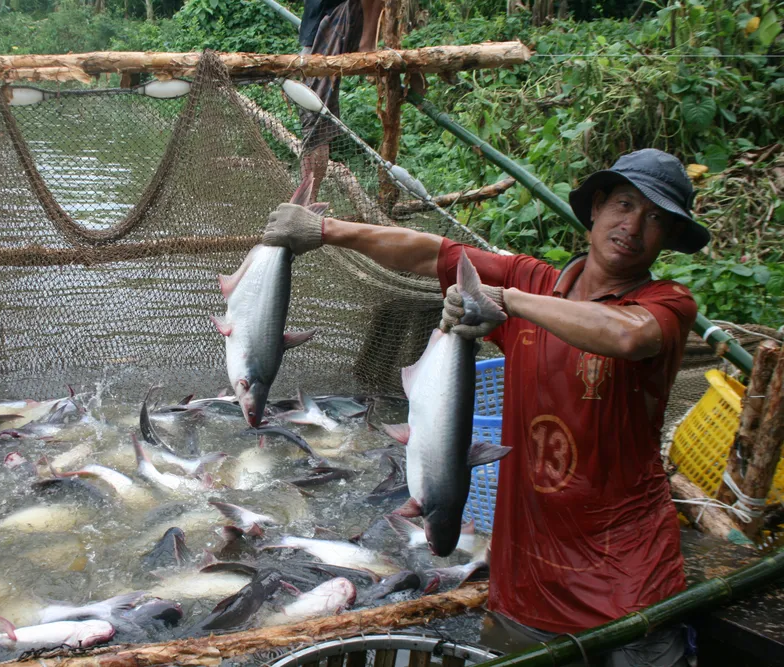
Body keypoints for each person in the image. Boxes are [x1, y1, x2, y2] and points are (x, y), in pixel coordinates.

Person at [262, 148, 709, 667]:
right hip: (527, 581)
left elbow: (626, 337)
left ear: (669, 238)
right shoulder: (534, 279)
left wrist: (508, 301)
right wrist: (326, 230)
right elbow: (432, 253)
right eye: (625, 205)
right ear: (597, 208)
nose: (633, 226)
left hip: (630, 580)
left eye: (655, 218)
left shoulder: (667, 305)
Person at [297, 0, 382, 196]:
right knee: (313, 118)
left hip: (334, 19)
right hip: (316, 29)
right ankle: (308, 198)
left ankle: (308, 200)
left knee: (315, 118)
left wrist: (368, 43)